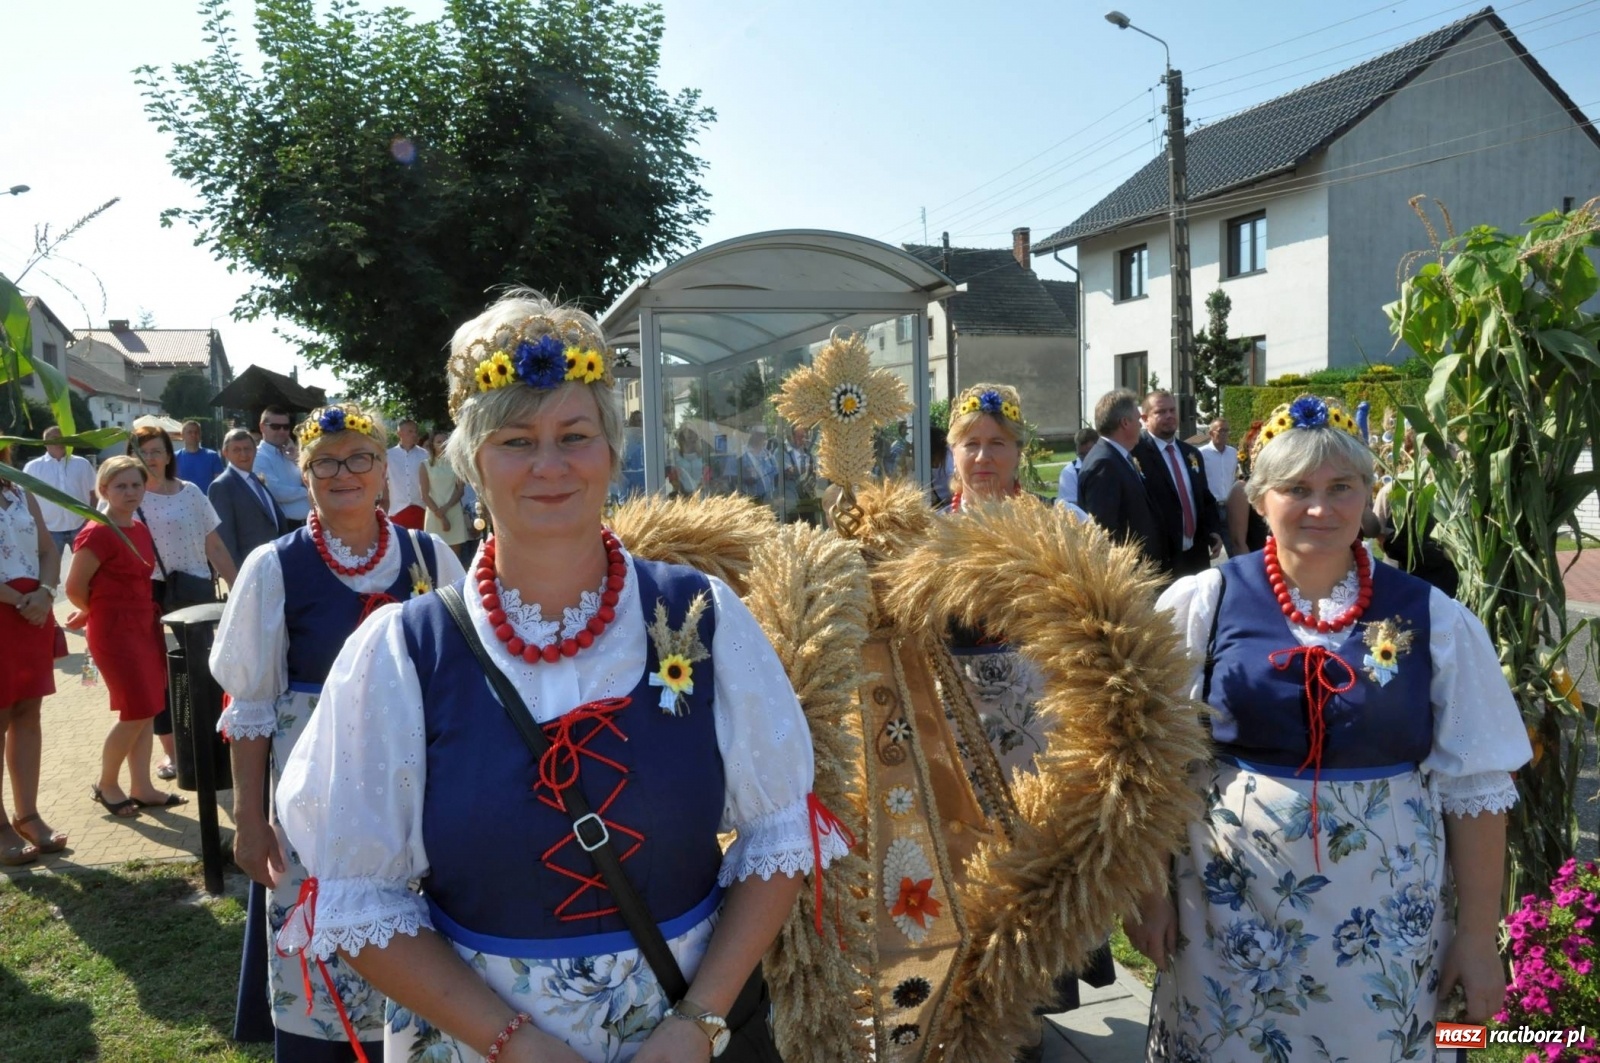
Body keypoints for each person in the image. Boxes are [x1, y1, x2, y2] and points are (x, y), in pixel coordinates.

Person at [274, 291, 847, 1063]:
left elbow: (778, 834)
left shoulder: (701, 617)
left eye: (574, 435)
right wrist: (512, 1042)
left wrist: (699, 1022)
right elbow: (359, 901)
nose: (550, 464)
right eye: (516, 439)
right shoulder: (405, 652)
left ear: (612, 451)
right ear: (473, 461)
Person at [1128, 395, 1531, 1062]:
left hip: (1387, 925)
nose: (1321, 507)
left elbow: (1477, 790)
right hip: (1226, 918)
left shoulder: (1434, 619)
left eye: (1342, 486)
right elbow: (1145, 764)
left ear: (1369, 494)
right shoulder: (1204, 602)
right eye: (1297, 488)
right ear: (1259, 499)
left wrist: (1477, 936)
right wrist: (1146, 894)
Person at [213, 402, 462, 1061]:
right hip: (313, 803)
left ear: (385, 468)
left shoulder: (430, 557)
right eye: (326, 460)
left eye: (360, 457)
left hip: (417, 796)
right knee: (319, 938)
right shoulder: (275, 567)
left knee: (419, 933)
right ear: (305, 474)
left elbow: (468, 680)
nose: (344, 472)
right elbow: (251, 706)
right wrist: (247, 815)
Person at [938, 384, 1102, 1059]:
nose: (983, 456)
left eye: (996, 443)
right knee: (964, 861)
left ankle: (1029, 1010)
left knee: (1032, 861)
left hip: (1036, 728)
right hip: (953, 727)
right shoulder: (927, 530)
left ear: (1018, 451)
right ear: (952, 451)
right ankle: (963, 1004)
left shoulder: (1061, 526)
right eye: (970, 442)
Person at [65, 457, 183, 819]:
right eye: (120, 486)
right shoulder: (99, 531)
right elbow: (73, 587)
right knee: (134, 711)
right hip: (115, 632)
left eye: (135, 484)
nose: (130, 492)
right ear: (104, 490)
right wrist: (95, 610)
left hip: (144, 627)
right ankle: (107, 784)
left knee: (147, 708)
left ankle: (141, 787)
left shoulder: (139, 528)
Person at [128, 425, 238, 781]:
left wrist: (237, 586)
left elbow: (215, 545)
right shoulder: (128, 496)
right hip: (152, 596)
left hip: (197, 592)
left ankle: (209, 743)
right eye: (143, 452)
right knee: (162, 675)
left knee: (205, 667)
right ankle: (174, 755)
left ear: (169, 454)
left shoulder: (190, 492)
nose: (151, 458)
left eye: (157, 450)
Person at [0, 448, 66, 864]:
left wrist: (44, 593)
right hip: (8, 610)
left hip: (32, 614)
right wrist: (18, 600)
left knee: (28, 713)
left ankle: (28, 814)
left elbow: (49, 551)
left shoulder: (21, 489)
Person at [1077, 389, 1170, 573]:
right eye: (1138, 420)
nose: (1141, 426)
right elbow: (1104, 533)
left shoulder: (1117, 457)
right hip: (1127, 574)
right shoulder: (1104, 464)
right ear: (1125, 423)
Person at [1136, 390, 1223, 578]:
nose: (1169, 416)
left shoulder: (1191, 453)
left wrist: (1214, 530)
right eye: (1160, 412)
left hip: (1196, 554)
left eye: (1172, 410)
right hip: (1160, 560)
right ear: (1144, 418)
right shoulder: (1136, 455)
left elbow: (1204, 497)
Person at [210, 428, 288, 570]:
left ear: (255, 450)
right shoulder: (222, 486)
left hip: (274, 563)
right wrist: (238, 579)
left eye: (247, 449)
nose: (244, 454)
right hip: (250, 570)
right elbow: (225, 541)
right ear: (225, 453)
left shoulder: (255, 480)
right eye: (237, 450)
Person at [23, 425, 97, 555]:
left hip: (80, 526)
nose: (60, 441)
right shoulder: (33, 467)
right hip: (50, 530)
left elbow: (94, 492)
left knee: (85, 571)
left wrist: (90, 520)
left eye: (63, 438)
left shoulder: (82, 464)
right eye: (55, 438)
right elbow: (25, 498)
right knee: (51, 571)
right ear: (45, 443)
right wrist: (38, 526)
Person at [420, 426, 471, 567]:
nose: (442, 444)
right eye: (438, 441)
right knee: (435, 558)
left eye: (445, 441)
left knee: (455, 559)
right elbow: (424, 495)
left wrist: (446, 509)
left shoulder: (456, 464)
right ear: (432, 445)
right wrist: (441, 515)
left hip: (453, 511)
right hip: (434, 514)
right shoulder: (425, 465)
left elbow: (460, 490)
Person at [254, 406, 310, 529]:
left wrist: (296, 458)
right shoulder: (258, 456)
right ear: (262, 427)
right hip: (285, 526)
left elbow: (309, 480)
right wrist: (307, 491)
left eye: (286, 427)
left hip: (307, 524)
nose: (282, 431)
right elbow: (275, 492)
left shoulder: (289, 454)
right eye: (275, 427)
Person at [1198, 417, 1238, 544]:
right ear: (1211, 433)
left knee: (1233, 545)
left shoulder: (1233, 453)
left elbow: (1233, 477)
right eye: (1221, 430)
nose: (1225, 434)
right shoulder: (1201, 453)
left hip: (1228, 505)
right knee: (1211, 546)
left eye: (1227, 431)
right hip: (1211, 508)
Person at [385, 419, 429, 530]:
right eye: (410, 431)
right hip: (397, 510)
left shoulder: (425, 455)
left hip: (422, 508)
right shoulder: (388, 456)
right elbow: (382, 482)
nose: (414, 434)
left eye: (415, 431)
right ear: (399, 433)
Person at [1056, 427, 1099, 510]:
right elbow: (1072, 509)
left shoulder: (1109, 467)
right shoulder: (1069, 473)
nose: (1086, 459)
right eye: (1081, 455)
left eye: (1089, 454)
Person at [175, 419, 226, 487]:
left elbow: (219, 483)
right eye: (189, 432)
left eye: (196, 432)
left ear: (200, 435)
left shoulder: (212, 456)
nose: (193, 435)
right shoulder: (175, 457)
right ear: (183, 435)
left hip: (207, 497)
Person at [737, 424, 778, 506]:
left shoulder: (768, 455)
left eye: (763, 435)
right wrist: (743, 477)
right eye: (758, 434)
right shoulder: (740, 453)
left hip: (768, 500)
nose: (760, 437)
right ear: (751, 435)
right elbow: (729, 478)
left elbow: (777, 476)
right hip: (749, 502)